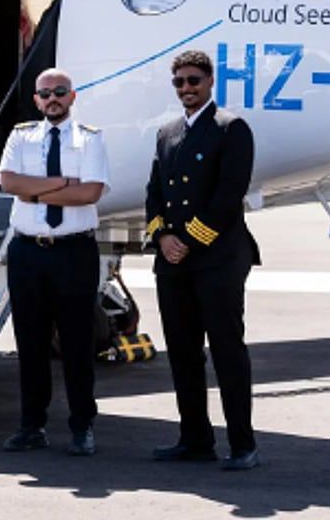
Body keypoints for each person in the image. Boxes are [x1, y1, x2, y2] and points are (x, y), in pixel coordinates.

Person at [145, 49, 262, 471]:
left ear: (210, 81)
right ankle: (194, 438)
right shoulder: (167, 133)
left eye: (193, 80)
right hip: (173, 262)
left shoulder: (231, 129)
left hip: (217, 259)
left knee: (227, 350)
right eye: (179, 82)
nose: (186, 88)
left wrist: (187, 241)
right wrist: (162, 237)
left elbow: (228, 196)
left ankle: (242, 444)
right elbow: (154, 193)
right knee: (182, 352)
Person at [0, 68, 110, 457]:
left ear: (72, 96)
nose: (52, 99)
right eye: (45, 94)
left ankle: (82, 427)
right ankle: (32, 426)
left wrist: (34, 191)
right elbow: (8, 182)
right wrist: (62, 184)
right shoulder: (21, 136)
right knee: (30, 344)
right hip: (27, 252)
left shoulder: (90, 138)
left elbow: (90, 193)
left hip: (73, 252)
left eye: (60, 91)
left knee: (77, 344)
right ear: (36, 100)